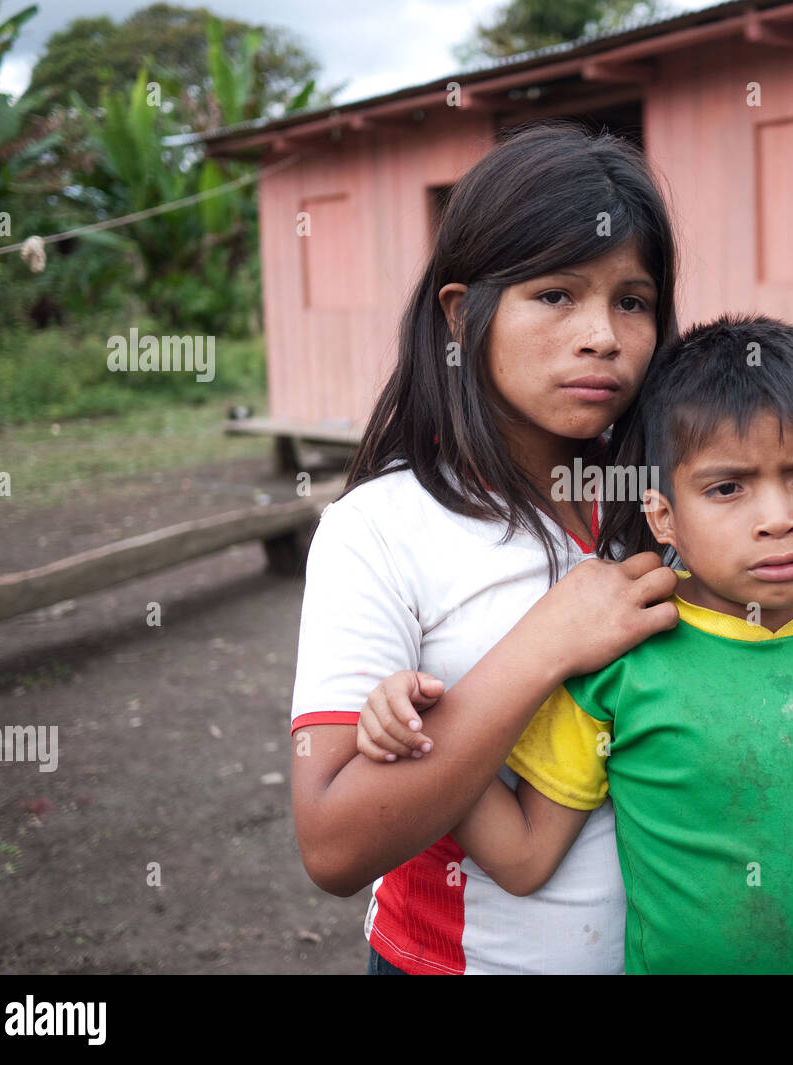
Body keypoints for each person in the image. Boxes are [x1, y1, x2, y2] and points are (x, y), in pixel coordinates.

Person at [362, 315, 793, 973]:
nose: (779, 518)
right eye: (727, 487)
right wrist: (422, 730)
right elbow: (522, 857)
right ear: (663, 515)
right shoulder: (625, 656)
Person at [289, 121, 683, 975]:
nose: (603, 336)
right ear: (465, 316)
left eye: (632, 299)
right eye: (556, 295)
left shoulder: (669, 512)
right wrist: (548, 641)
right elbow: (331, 844)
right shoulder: (382, 529)